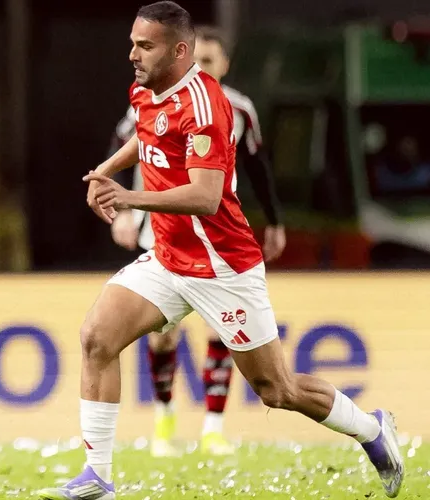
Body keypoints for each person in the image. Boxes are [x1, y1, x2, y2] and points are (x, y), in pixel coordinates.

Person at [37, 2, 404, 499]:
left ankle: (372, 428)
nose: (132, 55)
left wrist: (129, 197)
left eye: (145, 46)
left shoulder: (206, 107)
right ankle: (97, 477)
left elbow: (205, 197)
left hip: (222, 266)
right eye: (133, 43)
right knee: (96, 338)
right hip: (169, 258)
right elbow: (147, 135)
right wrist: (107, 169)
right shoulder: (145, 89)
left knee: (277, 389)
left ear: (179, 51)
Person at [107, 24, 286, 457]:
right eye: (194, 60)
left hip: (215, 239)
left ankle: (213, 427)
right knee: (160, 337)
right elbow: (126, 142)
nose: (199, 68)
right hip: (161, 232)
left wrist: (274, 221)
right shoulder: (154, 98)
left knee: (221, 331)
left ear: (224, 64)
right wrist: (124, 207)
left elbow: (257, 167)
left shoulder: (237, 109)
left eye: (208, 61)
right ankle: (164, 421)